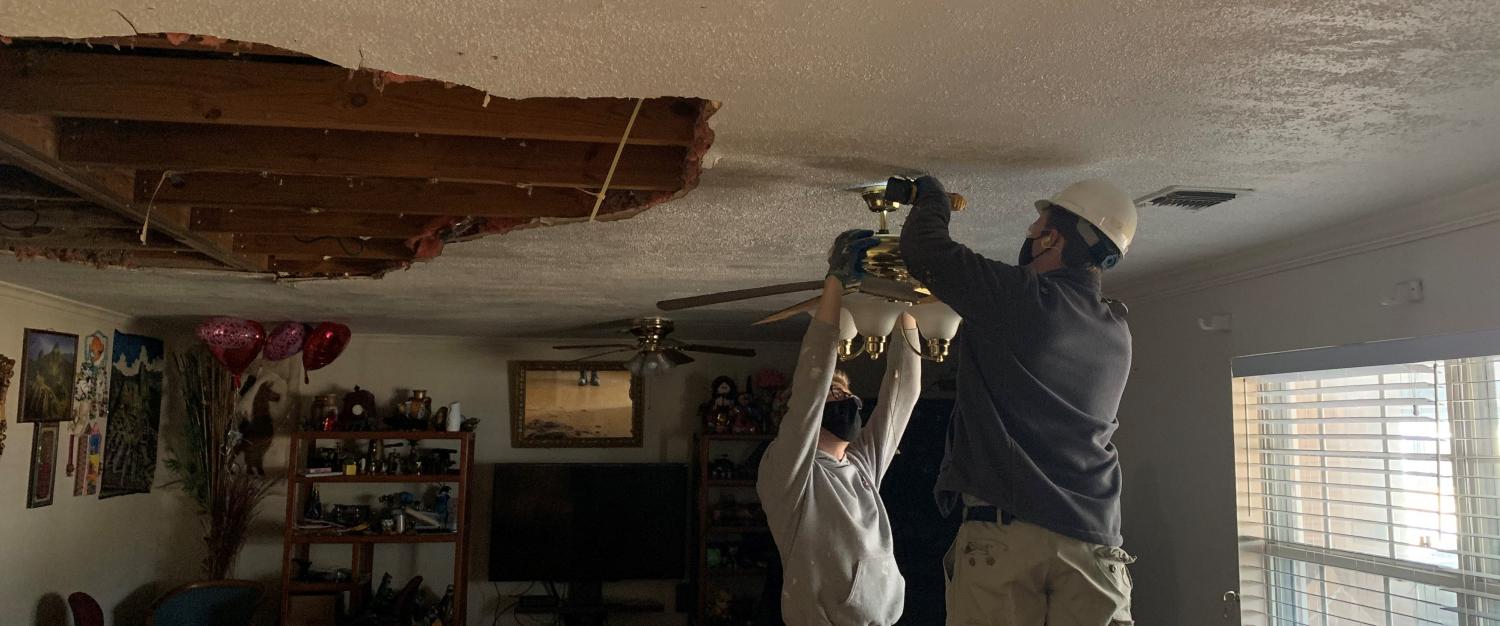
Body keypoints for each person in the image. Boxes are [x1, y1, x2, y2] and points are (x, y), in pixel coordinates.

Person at [899, 176, 1139, 625]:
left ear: (1053, 238)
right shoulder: (1116, 331)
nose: (1029, 232)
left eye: (1038, 225)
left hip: (1008, 538)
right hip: (1094, 545)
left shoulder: (1021, 299)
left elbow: (925, 249)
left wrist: (931, 194)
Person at [757, 229, 924, 626]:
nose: (846, 400)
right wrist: (835, 281)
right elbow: (811, 387)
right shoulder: (791, 474)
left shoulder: (861, 468)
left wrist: (904, 302)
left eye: (848, 394)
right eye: (836, 393)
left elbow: (905, 392)